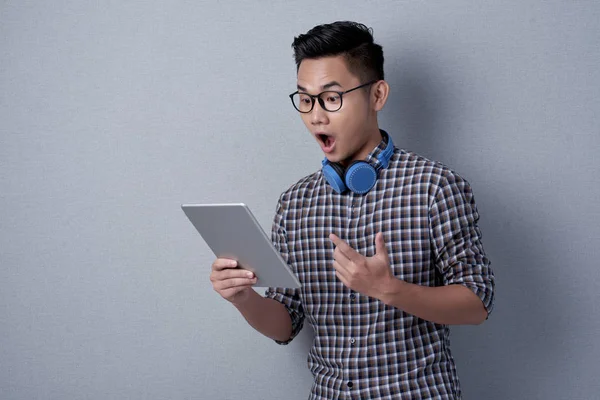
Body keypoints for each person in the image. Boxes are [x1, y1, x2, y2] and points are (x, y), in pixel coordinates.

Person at [210, 21, 495, 400]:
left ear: (377, 95)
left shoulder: (435, 187)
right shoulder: (294, 203)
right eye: (305, 99)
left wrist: (389, 290)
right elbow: (285, 324)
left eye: (331, 98)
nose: (316, 117)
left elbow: (478, 302)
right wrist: (243, 298)